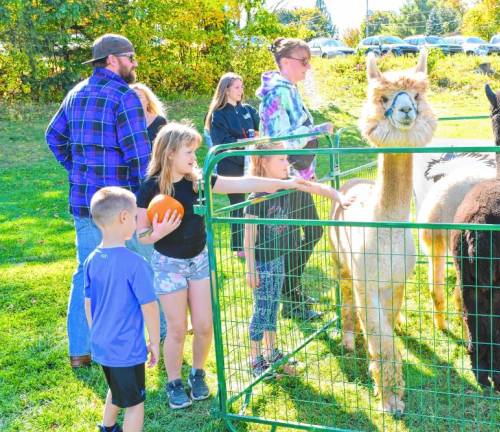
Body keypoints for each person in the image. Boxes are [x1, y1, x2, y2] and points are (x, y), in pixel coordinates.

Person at [135, 121, 307, 409]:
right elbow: (141, 236)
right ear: (169, 154)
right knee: (177, 329)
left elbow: (244, 183)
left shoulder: (197, 180)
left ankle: (198, 373)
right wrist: (158, 234)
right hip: (169, 265)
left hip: (200, 262)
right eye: (188, 152)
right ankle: (174, 382)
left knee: (204, 325)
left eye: (195, 152)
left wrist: (284, 183)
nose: (194, 158)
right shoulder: (149, 187)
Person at [45, 33, 151, 368]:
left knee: (84, 273)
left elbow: (53, 136)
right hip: (120, 206)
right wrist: (145, 200)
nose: (133, 63)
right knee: (146, 265)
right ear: (111, 60)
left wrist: (76, 168)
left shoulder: (75, 93)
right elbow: (140, 156)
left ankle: (80, 352)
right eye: (129, 57)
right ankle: (160, 340)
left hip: (83, 201)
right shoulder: (124, 97)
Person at [244, 142, 351, 377]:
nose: (287, 163)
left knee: (272, 309)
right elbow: (248, 238)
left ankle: (271, 353)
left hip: (279, 260)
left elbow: (317, 188)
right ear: (263, 162)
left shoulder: (289, 184)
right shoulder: (256, 197)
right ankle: (255, 359)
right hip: (263, 265)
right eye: (281, 159)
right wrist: (251, 269)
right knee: (262, 311)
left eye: (286, 158)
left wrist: (338, 196)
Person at [257, 37, 333, 321]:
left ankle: (291, 293)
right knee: (305, 234)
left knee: (307, 233)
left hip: (292, 176)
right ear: (286, 62)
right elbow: (281, 141)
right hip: (282, 177)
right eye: (304, 61)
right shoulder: (278, 93)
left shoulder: (288, 90)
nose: (308, 66)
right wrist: (316, 131)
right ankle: (290, 296)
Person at [84, 187, 160, 432]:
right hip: (126, 347)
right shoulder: (135, 263)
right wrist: (155, 342)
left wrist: (96, 333)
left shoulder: (92, 259)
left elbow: (88, 302)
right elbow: (149, 307)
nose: (138, 222)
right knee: (135, 403)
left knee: (117, 388)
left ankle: (107, 427)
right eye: (135, 217)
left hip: (103, 344)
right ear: (124, 218)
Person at [205, 73, 260, 258]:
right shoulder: (218, 114)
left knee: (256, 201)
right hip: (231, 165)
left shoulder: (248, 110)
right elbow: (221, 141)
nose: (241, 90)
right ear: (226, 89)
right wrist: (244, 141)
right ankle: (239, 248)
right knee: (238, 205)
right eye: (237, 87)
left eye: (242, 86)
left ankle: (257, 240)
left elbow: (260, 131)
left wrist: (254, 139)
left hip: (251, 162)